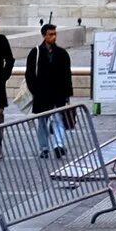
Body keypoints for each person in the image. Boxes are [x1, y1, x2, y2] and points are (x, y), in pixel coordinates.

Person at [24, 23, 74, 158]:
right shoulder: (36, 52)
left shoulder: (62, 53)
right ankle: (44, 147)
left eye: (55, 34)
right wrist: (35, 90)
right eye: (50, 34)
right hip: (42, 94)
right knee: (42, 122)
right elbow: (29, 74)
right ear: (44, 35)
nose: (53, 37)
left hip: (58, 94)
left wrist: (67, 94)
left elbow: (67, 75)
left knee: (58, 119)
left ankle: (58, 145)